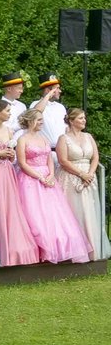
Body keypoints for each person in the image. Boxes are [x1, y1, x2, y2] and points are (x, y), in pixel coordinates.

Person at [16, 109, 92, 263]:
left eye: (41, 119)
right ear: (30, 121)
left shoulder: (43, 138)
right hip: (30, 180)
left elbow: (49, 159)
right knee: (34, 214)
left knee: (54, 214)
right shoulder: (22, 140)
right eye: (39, 120)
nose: (41, 122)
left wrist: (51, 175)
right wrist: (39, 177)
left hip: (48, 179)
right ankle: (39, 249)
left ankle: (59, 247)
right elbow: (22, 163)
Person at [0, 100, 40, 266]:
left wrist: (11, 155)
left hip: (7, 172)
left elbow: (12, 157)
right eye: (7, 111)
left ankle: (12, 246)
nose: (10, 114)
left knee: (10, 207)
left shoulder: (8, 131)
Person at [56, 109, 111, 260]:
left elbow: (95, 157)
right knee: (75, 211)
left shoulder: (88, 137)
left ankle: (93, 249)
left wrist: (90, 174)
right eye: (80, 118)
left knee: (89, 210)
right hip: (71, 178)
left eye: (84, 118)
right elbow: (63, 161)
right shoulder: (63, 138)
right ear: (71, 120)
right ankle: (75, 250)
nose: (84, 120)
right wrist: (81, 174)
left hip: (89, 178)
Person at [29, 73, 66, 153]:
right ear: (48, 90)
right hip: (44, 151)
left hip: (61, 151)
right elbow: (35, 113)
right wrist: (48, 95)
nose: (60, 91)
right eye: (57, 88)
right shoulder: (35, 104)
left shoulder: (61, 107)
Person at [0, 71, 27, 136]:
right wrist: (19, 125)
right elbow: (0, 128)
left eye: (22, 88)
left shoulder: (22, 106)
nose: (21, 91)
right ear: (9, 89)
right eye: (19, 88)